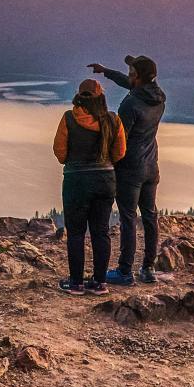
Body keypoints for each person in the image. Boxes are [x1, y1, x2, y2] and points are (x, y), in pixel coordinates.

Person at [89, 55, 167, 285]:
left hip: (131, 169)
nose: (129, 76)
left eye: (132, 73)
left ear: (139, 78)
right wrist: (107, 71)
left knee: (128, 218)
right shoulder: (158, 98)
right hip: (151, 166)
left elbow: (118, 137)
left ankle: (124, 272)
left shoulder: (131, 104)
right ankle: (148, 268)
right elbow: (133, 85)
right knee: (150, 216)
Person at [53, 79, 126, 296]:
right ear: (101, 96)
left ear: (79, 95)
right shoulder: (113, 120)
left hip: (76, 181)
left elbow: (60, 153)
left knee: (76, 232)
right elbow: (120, 152)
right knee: (100, 232)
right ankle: (99, 282)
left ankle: (76, 283)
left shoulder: (69, 118)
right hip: (105, 181)